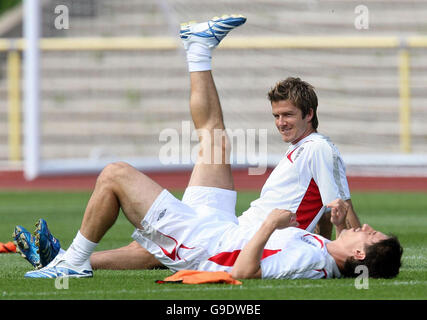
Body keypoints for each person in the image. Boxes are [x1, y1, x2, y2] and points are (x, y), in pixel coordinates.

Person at [15, 14, 370, 274]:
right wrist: (338, 240)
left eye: (288, 115)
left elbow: (340, 208)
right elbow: (326, 214)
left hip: (226, 242)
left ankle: (71, 263)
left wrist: (359, 248)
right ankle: (198, 49)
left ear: (310, 113)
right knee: (214, 136)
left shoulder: (320, 148)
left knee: (114, 174)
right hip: (227, 227)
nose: (281, 123)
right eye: (277, 116)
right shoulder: (305, 150)